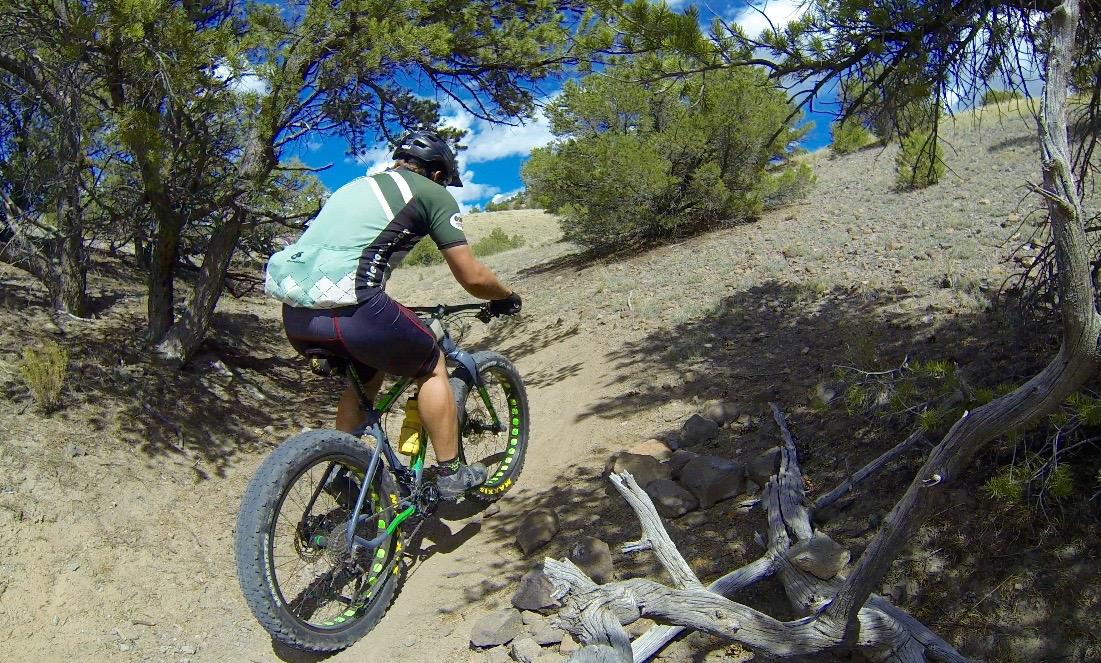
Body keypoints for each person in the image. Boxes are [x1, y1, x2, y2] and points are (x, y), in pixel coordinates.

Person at [264, 130, 522, 499]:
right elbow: (472, 277)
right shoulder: (432, 193)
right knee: (431, 363)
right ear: (437, 173)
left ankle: (342, 468)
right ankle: (450, 473)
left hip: (297, 315)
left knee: (366, 375)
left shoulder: (354, 186)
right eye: (445, 179)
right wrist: (506, 296)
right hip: (354, 309)